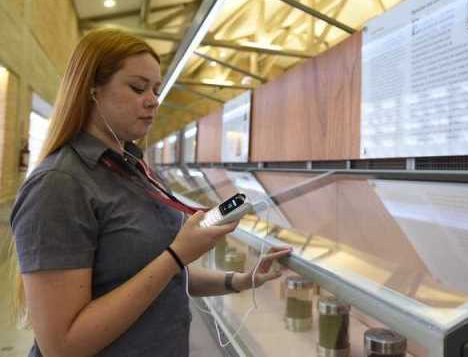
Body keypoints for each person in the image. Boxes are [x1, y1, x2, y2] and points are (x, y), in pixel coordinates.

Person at [10, 28, 291, 357]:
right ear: (91, 91)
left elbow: (156, 273)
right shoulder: (58, 185)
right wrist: (176, 255)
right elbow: (62, 346)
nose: (153, 100)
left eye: (156, 89)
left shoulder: (137, 170)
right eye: (137, 87)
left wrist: (239, 280)